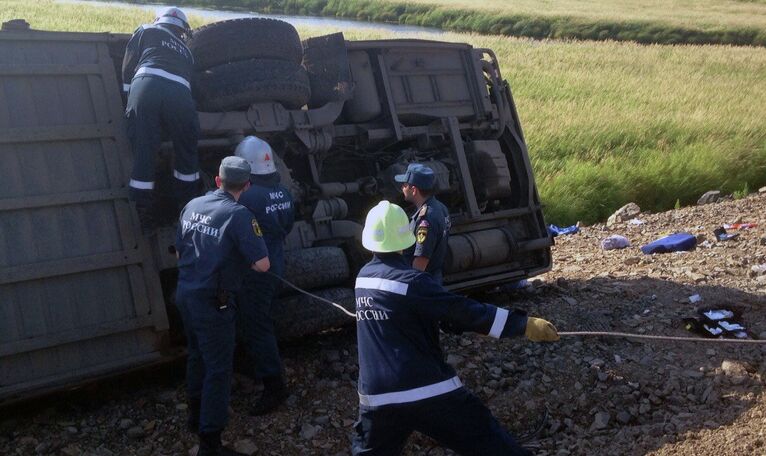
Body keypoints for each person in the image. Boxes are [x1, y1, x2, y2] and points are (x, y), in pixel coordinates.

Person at [352, 200, 559, 456]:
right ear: (405, 238)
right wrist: (522, 325)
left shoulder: (363, 279)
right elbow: (461, 311)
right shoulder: (413, 282)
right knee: (487, 440)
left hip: (377, 398)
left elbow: (407, 317)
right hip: (426, 390)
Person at [175, 156, 270, 456]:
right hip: (212, 303)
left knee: (196, 356)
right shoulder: (240, 215)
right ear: (248, 185)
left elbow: (179, 252)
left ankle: (194, 417)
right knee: (218, 368)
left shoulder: (193, 205)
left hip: (185, 295)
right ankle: (210, 442)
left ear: (217, 180)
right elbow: (263, 265)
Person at [122, 7, 199, 232]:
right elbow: (190, 83)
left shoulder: (146, 30)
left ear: (159, 21)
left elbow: (129, 65)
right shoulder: (188, 51)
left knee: (144, 145)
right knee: (186, 149)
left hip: (148, 85)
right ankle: (188, 206)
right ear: (183, 31)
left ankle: (143, 211)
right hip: (181, 95)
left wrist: (128, 97)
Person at [234, 136, 295, 415]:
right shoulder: (283, 192)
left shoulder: (246, 197)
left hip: (254, 271)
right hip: (275, 262)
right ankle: (252, 368)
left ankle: (274, 385)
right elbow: (288, 226)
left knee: (256, 324)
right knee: (257, 318)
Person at [395, 163, 451, 284]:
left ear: (414, 190)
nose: (402, 188)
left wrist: (409, 286)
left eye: (405, 185)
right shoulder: (440, 208)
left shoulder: (426, 219)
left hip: (423, 282)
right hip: (433, 278)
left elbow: (420, 261)